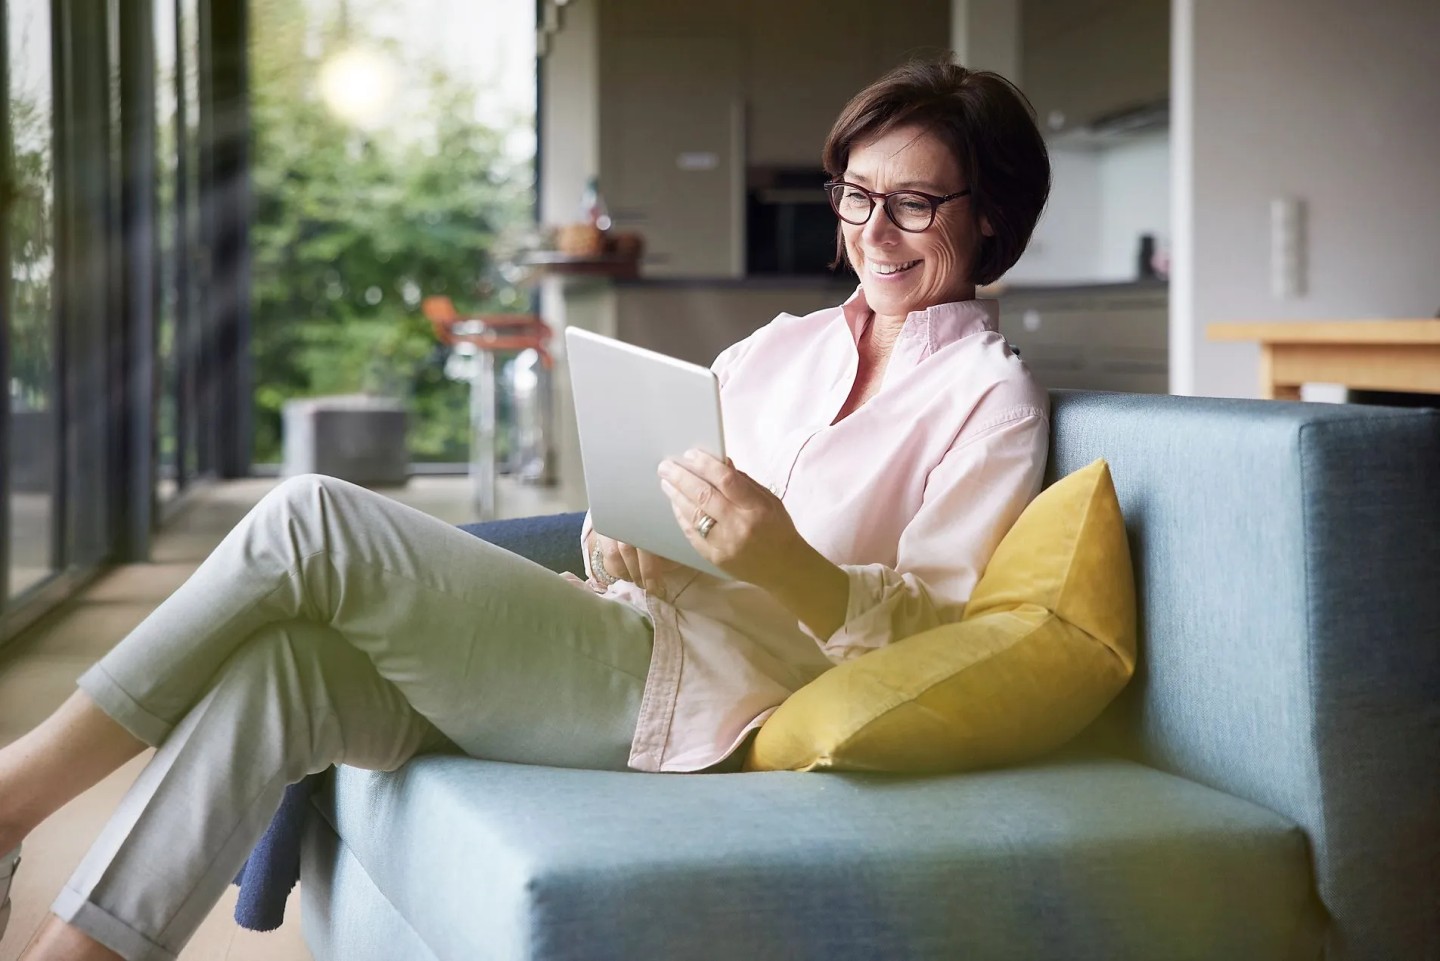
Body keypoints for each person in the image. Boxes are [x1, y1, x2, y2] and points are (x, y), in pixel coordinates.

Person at [0, 55, 1051, 961]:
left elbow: (938, 638)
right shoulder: (776, 347)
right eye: (856, 195)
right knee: (289, 671)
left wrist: (783, 561)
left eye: (914, 202)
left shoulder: (989, 400)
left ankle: (11, 798)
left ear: (989, 214)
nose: (877, 230)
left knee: (311, 519)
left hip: (719, 701)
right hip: (623, 634)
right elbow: (640, 517)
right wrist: (628, 535)